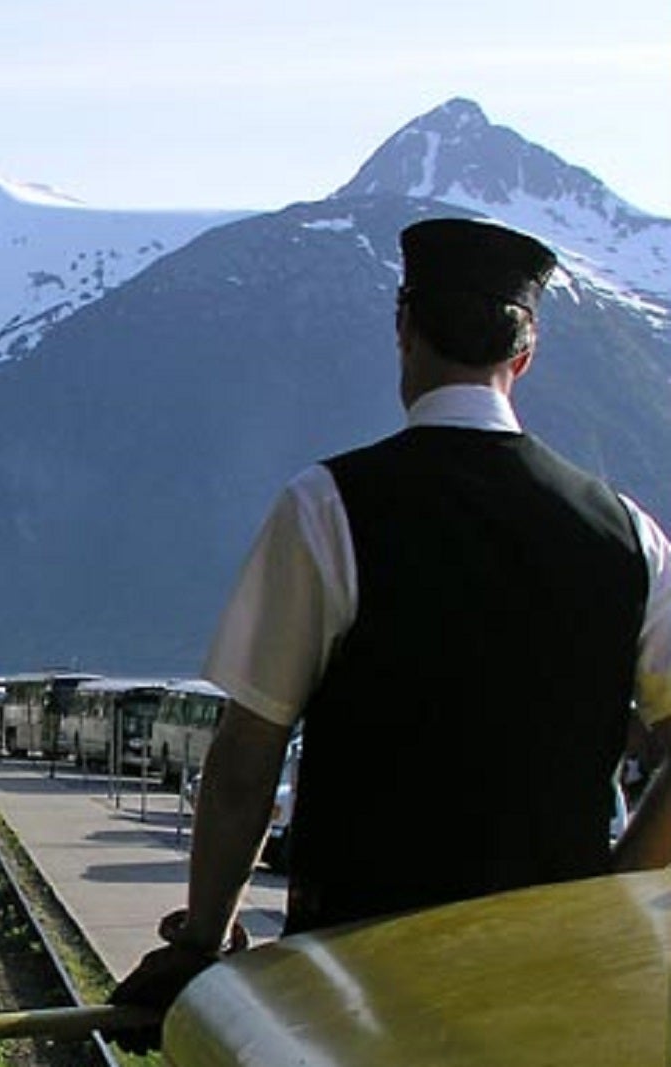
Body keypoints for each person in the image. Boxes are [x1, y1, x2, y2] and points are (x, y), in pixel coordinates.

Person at [107, 217, 671, 1053]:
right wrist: (612, 892)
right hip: (560, 985)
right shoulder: (628, 533)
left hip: (356, 984)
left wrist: (202, 943)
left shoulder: (327, 507)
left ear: (404, 328)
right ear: (526, 354)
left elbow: (245, 762)